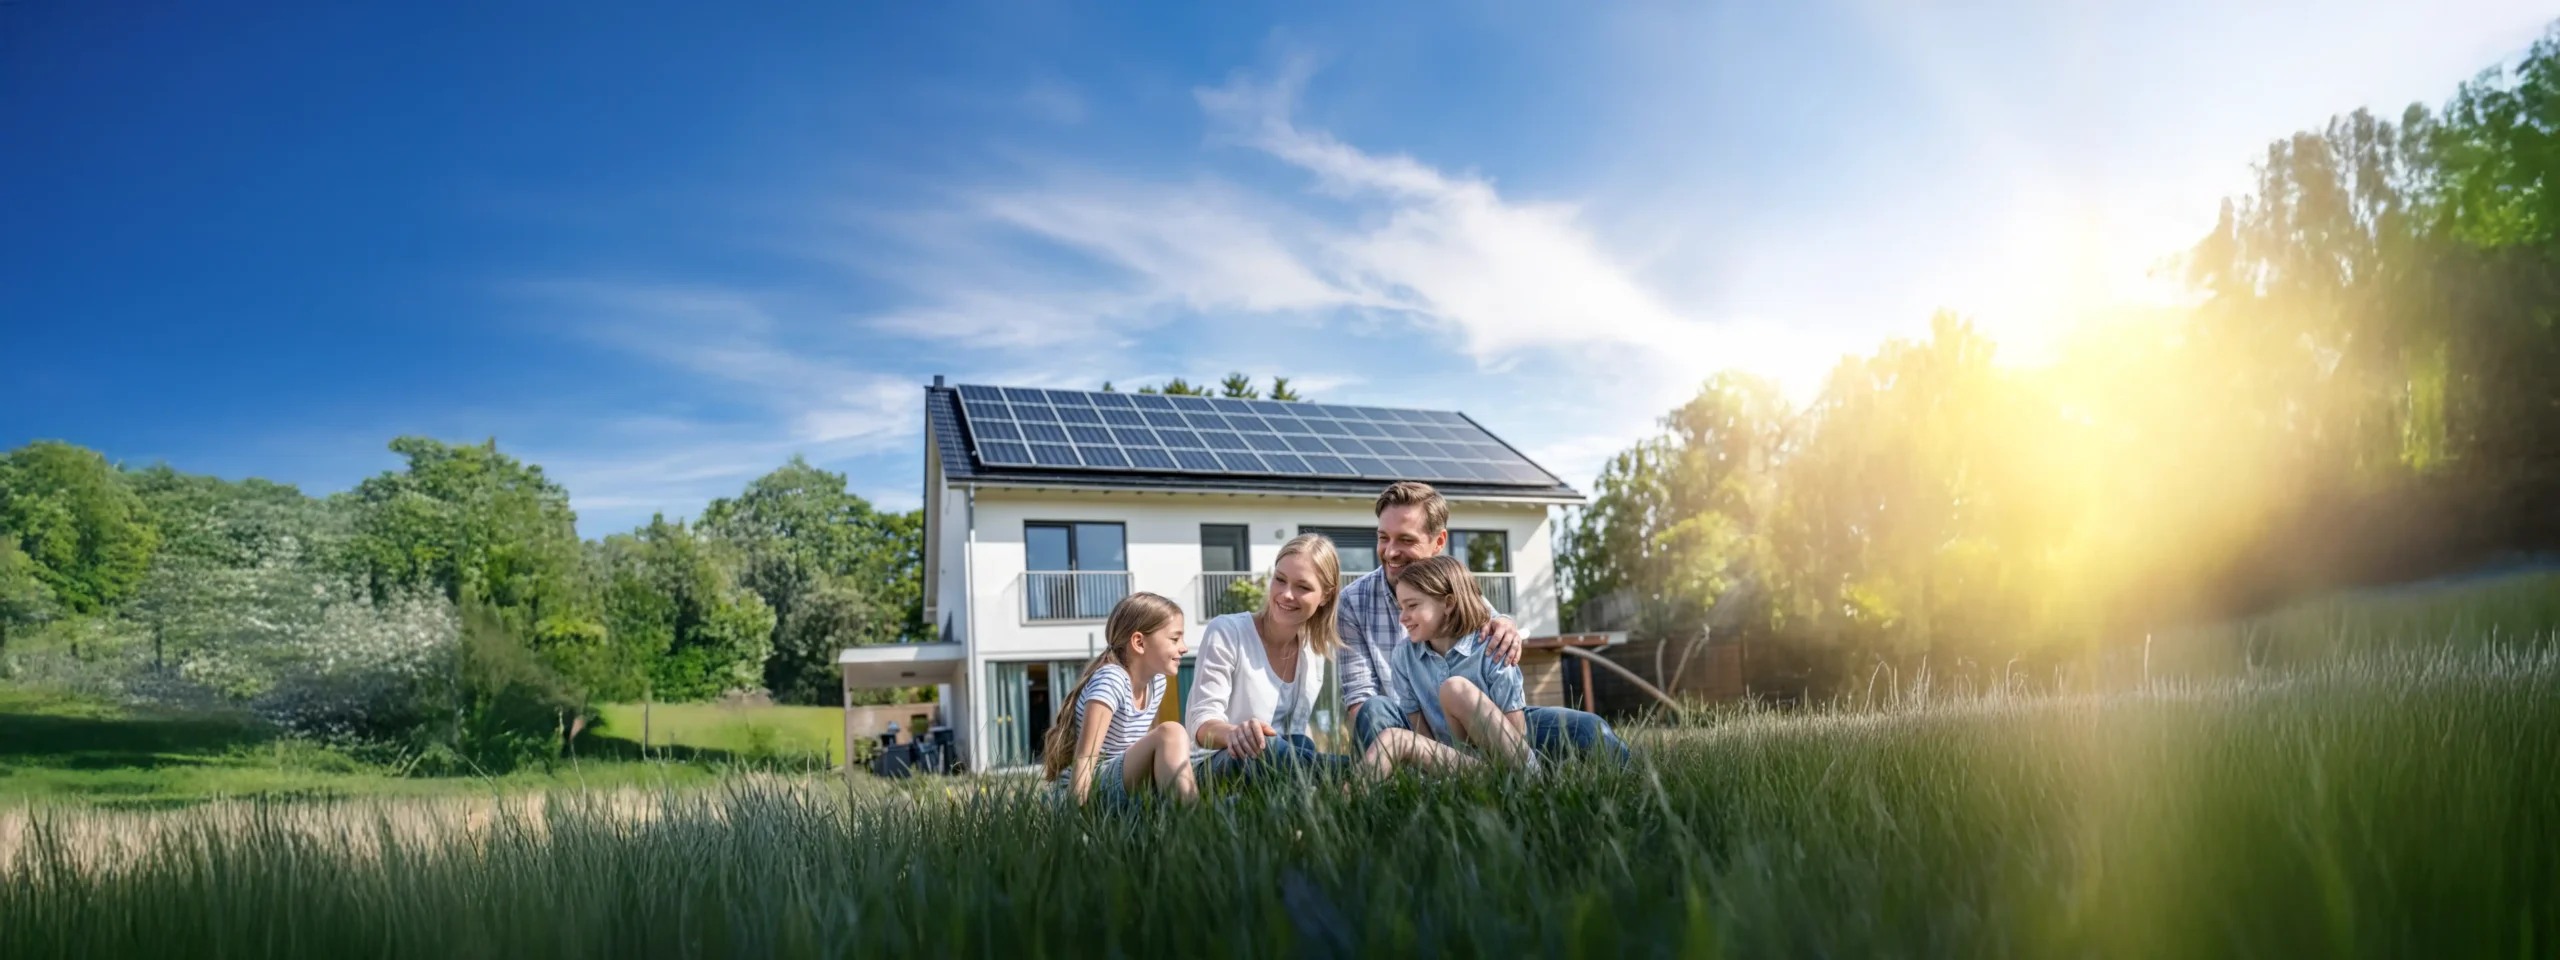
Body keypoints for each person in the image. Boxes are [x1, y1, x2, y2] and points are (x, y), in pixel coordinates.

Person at [1338, 481, 1631, 764]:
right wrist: (1424, 750)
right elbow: (1360, 697)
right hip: (1410, 726)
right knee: (1374, 708)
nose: (1390, 552)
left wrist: (1505, 622)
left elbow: (1488, 628)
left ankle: (1626, 776)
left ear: (1438, 542)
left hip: (1487, 721)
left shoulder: (1455, 586)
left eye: (1406, 540)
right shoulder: (1352, 601)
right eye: (1383, 538)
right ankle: (1413, 784)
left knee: (1587, 730)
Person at [1186, 533, 1356, 785]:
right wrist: (1236, 734)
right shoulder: (1227, 631)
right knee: (1263, 746)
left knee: (1300, 742)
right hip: (1218, 764)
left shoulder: (1313, 650)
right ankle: (1360, 770)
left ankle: (1338, 781)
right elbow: (1200, 725)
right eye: (1280, 580)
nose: (1286, 594)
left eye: (1303, 587)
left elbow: (1296, 731)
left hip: (1274, 762)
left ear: (1326, 596)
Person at [1360, 555, 1538, 776]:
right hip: (1455, 769)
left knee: (1455, 689)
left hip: (1510, 770)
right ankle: (1347, 806)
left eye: (1412, 605)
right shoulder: (1403, 657)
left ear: (1448, 603)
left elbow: (1517, 739)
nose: (1403, 618)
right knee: (1391, 738)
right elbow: (1423, 742)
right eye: (1401, 608)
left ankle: (1526, 783)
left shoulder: (1493, 646)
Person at [1039, 592, 1199, 806]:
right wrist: (1074, 822)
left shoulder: (1156, 682)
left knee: (1194, 754)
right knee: (1171, 732)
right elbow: (1085, 759)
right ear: (1139, 642)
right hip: (1088, 787)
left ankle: (1190, 811)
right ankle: (1193, 818)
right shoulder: (1111, 680)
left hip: (1120, 782)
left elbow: (1141, 746)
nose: (1184, 647)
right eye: (1174, 639)